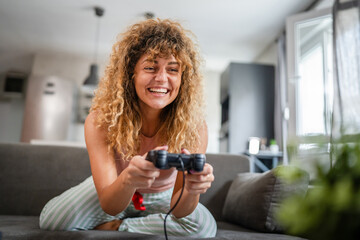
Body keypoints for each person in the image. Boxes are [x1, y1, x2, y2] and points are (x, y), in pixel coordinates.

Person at [39, 18, 217, 238]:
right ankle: (140, 221)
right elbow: (109, 204)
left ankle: (117, 227)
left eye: (173, 69)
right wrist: (128, 179)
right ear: (130, 74)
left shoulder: (194, 127)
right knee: (53, 220)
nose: (161, 78)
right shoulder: (100, 121)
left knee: (205, 228)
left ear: (183, 79)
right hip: (116, 187)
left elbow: (180, 211)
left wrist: (191, 189)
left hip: (163, 195)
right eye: (150, 67)